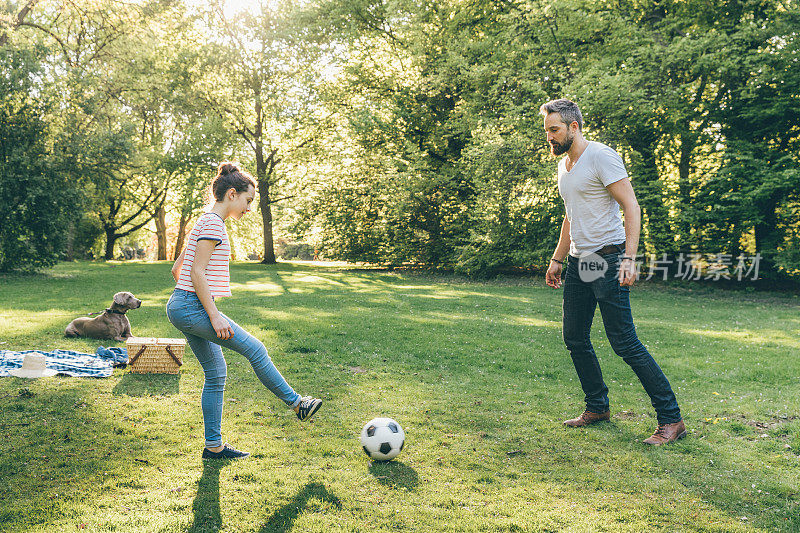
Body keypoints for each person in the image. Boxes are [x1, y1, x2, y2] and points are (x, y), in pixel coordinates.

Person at [541, 99, 686, 445]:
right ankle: (597, 406)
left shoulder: (601, 156)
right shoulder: (565, 165)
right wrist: (558, 259)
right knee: (575, 337)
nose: (549, 136)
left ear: (574, 127)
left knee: (624, 342)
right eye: (547, 130)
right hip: (580, 263)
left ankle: (671, 419)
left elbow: (631, 205)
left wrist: (630, 258)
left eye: (554, 129)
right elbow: (571, 216)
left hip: (608, 259)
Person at [167, 162, 322, 460]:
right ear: (232, 194)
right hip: (190, 306)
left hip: (182, 304)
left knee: (215, 372)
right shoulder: (214, 224)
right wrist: (211, 314)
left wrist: (192, 303)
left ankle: (214, 447)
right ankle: (297, 404)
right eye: (248, 201)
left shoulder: (203, 221)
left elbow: (178, 270)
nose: (249, 209)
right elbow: (196, 273)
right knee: (256, 349)